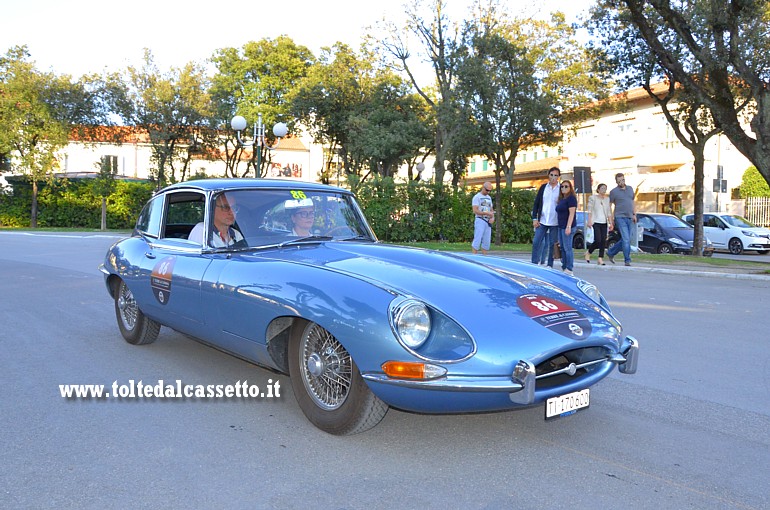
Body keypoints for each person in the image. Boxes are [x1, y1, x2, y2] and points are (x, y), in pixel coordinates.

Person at [531, 167, 561, 266]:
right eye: (551, 175)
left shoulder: (561, 189)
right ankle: (534, 263)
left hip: (555, 221)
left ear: (558, 177)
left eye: (555, 175)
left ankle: (550, 265)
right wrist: (534, 218)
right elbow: (536, 203)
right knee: (536, 242)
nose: (553, 177)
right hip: (542, 220)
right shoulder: (544, 187)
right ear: (548, 175)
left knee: (552, 245)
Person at [606, 173, 637, 266]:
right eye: (619, 181)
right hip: (620, 217)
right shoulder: (613, 192)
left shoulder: (630, 189)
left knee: (627, 239)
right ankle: (627, 260)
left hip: (630, 216)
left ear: (624, 179)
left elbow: (632, 202)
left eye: (622, 180)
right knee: (626, 239)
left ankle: (611, 252)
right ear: (616, 182)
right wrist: (610, 219)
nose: (621, 182)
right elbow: (609, 205)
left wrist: (634, 214)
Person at [584, 183, 613, 265]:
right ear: (598, 189)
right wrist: (589, 220)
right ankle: (588, 253)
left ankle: (600, 258)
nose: (604, 190)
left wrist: (611, 223)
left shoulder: (607, 199)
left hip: (604, 222)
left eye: (605, 188)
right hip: (596, 221)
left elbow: (609, 212)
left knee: (603, 240)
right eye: (602, 188)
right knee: (598, 240)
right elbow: (589, 210)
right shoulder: (593, 198)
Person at [556, 180, 578, 275]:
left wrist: (568, 226)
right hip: (561, 226)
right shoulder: (562, 199)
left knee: (567, 247)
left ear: (570, 188)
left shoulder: (571, 198)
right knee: (562, 248)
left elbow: (572, 214)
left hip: (568, 226)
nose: (563, 188)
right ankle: (564, 266)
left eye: (566, 186)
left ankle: (569, 268)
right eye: (562, 186)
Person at [471, 182, 495, 255]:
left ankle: (485, 257)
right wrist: (486, 213)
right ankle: (474, 256)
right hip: (480, 219)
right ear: (483, 188)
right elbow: (475, 210)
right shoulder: (477, 197)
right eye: (487, 190)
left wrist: (492, 217)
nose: (488, 192)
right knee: (477, 239)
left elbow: (491, 209)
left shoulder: (489, 198)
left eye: (490, 191)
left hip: (487, 221)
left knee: (486, 241)